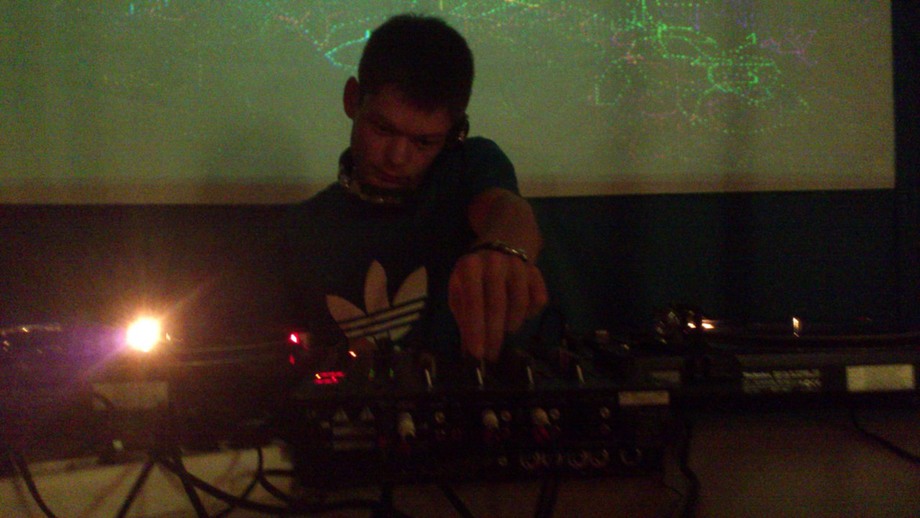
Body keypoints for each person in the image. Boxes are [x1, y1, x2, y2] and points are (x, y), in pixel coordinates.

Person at [284, 13, 547, 369]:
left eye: (423, 142)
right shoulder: (303, 229)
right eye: (382, 129)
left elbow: (507, 210)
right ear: (352, 99)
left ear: (455, 133)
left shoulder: (468, 167)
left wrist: (504, 249)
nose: (397, 157)